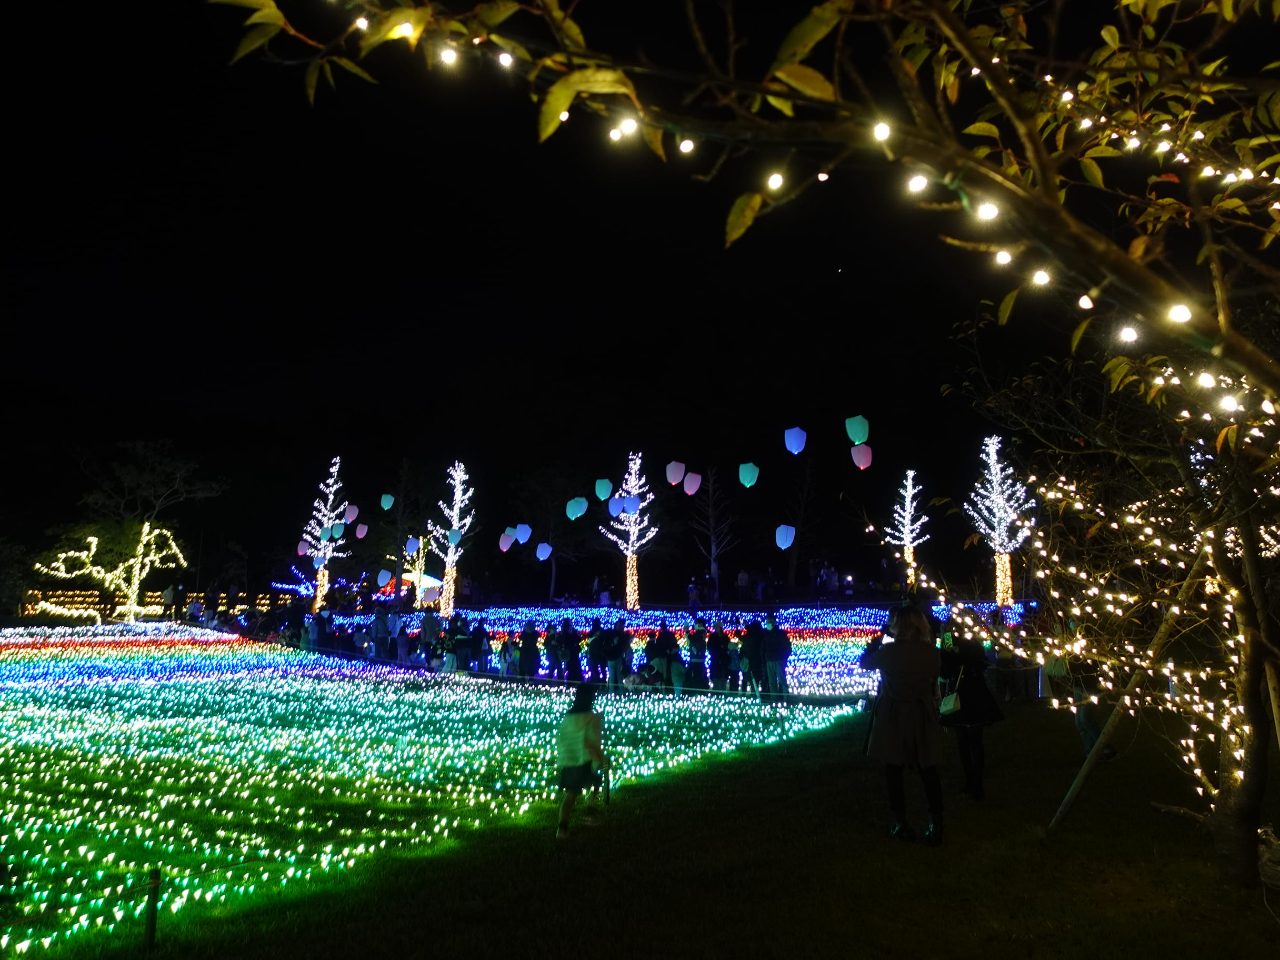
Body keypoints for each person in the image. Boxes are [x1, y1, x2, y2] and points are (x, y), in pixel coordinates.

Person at [859, 604, 945, 845]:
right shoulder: (931, 653)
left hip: (894, 714)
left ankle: (901, 823)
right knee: (928, 769)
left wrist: (873, 644)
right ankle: (936, 823)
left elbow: (864, 663)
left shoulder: (889, 652)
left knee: (893, 769)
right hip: (920, 712)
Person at [939, 621, 1003, 799]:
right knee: (972, 742)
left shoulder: (958, 648)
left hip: (965, 695)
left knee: (966, 742)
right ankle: (974, 782)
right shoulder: (973, 646)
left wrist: (949, 652)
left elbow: (945, 671)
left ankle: (973, 782)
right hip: (974, 694)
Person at [556, 685, 610, 840]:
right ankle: (590, 813)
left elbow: (562, 738)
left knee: (571, 795)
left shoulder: (568, 717)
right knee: (596, 784)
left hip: (569, 759)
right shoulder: (591, 718)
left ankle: (562, 829)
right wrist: (601, 758)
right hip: (584, 760)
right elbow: (594, 741)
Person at [762, 613, 792, 702]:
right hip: (770, 659)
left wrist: (783, 658)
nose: (767, 623)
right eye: (767, 621)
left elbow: (787, 647)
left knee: (782, 679)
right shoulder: (766, 634)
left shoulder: (780, 634)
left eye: (769, 621)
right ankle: (774, 699)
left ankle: (786, 698)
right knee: (772, 682)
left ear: (773, 622)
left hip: (779, 659)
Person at [739, 621, 765, 699]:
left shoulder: (750, 636)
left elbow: (742, 638)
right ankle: (755, 694)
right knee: (755, 679)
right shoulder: (760, 635)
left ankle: (745, 694)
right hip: (758, 660)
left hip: (749, 659)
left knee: (747, 677)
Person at [685, 618, 709, 692]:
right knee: (697, 674)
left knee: (697, 675)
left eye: (696, 623)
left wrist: (687, 632)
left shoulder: (701, 632)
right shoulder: (701, 632)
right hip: (697, 658)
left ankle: (697, 691)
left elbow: (693, 639)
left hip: (697, 658)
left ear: (700, 624)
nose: (694, 624)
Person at [606, 618, 629, 694]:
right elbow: (623, 646)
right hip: (617, 657)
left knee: (612, 676)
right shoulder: (621, 635)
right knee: (618, 676)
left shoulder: (611, 634)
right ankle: (621, 692)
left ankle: (611, 692)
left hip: (611, 657)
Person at [707, 621, 731, 691]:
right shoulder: (712, 636)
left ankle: (722, 691)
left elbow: (727, 646)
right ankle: (716, 691)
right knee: (716, 676)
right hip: (715, 659)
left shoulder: (725, 636)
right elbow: (709, 647)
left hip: (723, 660)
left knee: (723, 677)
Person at [585, 618, 609, 684]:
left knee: (595, 670)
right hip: (599, 654)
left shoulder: (592, 634)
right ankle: (601, 682)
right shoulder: (599, 633)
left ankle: (596, 682)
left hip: (595, 655)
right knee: (601, 669)